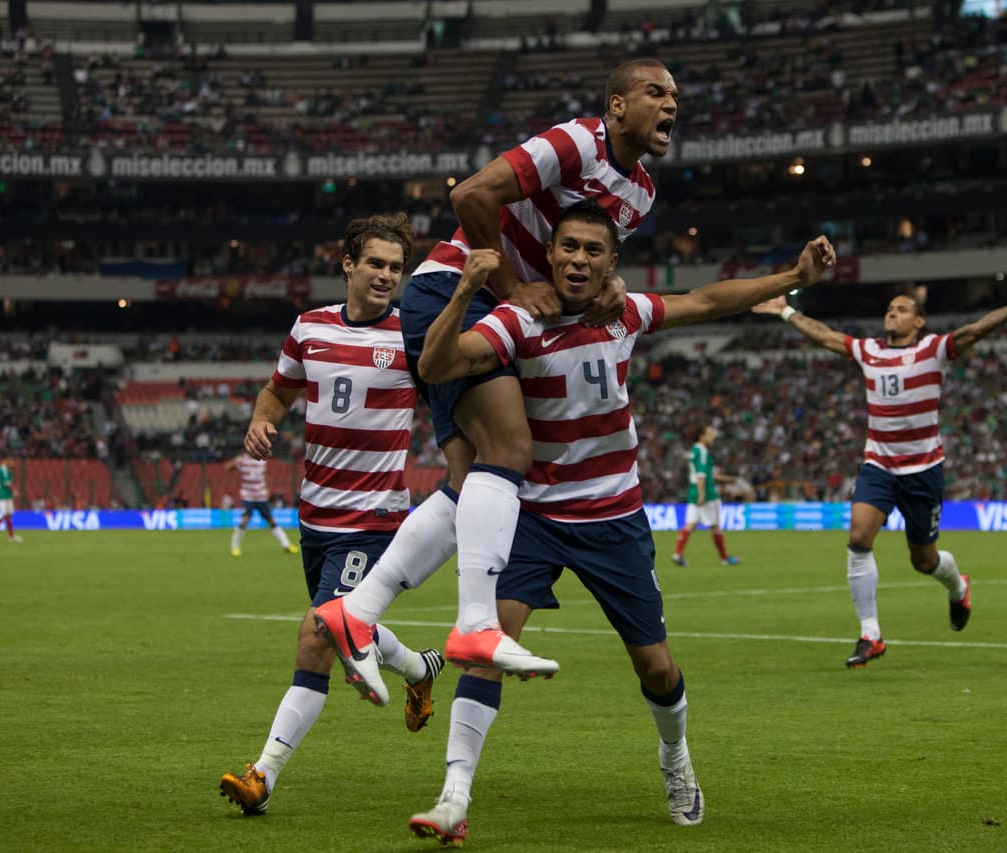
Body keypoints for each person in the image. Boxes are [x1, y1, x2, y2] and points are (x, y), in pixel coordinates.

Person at [396, 201, 835, 843]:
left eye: (592, 251)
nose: (578, 259)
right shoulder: (518, 319)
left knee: (655, 667)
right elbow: (434, 368)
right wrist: (466, 289)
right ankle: (453, 797)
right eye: (567, 247)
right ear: (548, 254)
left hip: (612, 515)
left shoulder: (624, 312)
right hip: (534, 517)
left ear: (611, 262)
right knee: (484, 651)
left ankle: (675, 759)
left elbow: (710, 301)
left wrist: (793, 276)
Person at [330, 58, 680, 679]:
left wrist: (611, 280)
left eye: (675, 95)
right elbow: (470, 194)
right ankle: (472, 628)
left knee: (473, 481)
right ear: (619, 106)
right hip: (454, 289)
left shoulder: (642, 192)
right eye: (656, 92)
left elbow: (582, 249)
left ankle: (359, 611)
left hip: (489, 303)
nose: (671, 104)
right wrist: (514, 286)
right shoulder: (575, 143)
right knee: (514, 449)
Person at [218, 213, 445, 816]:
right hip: (315, 515)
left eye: (396, 268)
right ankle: (419, 669)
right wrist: (262, 419)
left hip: (373, 521)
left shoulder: (412, 336)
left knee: (319, 634)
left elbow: (454, 398)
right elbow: (279, 390)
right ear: (348, 264)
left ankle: (262, 776)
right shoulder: (310, 327)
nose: (386, 276)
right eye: (375, 263)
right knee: (347, 635)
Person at [753, 283, 1007, 668]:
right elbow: (826, 336)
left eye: (901, 309)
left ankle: (958, 586)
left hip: (924, 471)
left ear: (918, 322)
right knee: (858, 537)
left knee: (923, 559)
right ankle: (871, 634)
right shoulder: (869, 352)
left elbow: (975, 330)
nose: (892, 313)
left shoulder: (932, 350)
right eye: (889, 308)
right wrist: (786, 312)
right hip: (879, 466)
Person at [670, 425, 740, 567]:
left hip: (693, 492)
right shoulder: (702, 451)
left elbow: (708, 474)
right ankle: (725, 559)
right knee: (715, 526)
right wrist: (702, 494)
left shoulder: (694, 450)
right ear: (701, 436)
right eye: (710, 433)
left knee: (690, 525)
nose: (713, 436)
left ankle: (677, 554)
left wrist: (727, 479)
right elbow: (701, 476)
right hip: (706, 494)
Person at [224, 451, 299, 557]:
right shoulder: (242, 461)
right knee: (244, 521)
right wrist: (235, 460)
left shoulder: (261, 461)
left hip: (261, 496)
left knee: (271, 521)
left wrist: (267, 489)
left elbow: (264, 475)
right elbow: (227, 468)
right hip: (248, 496)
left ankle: (286, 545)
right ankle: (235, 547)